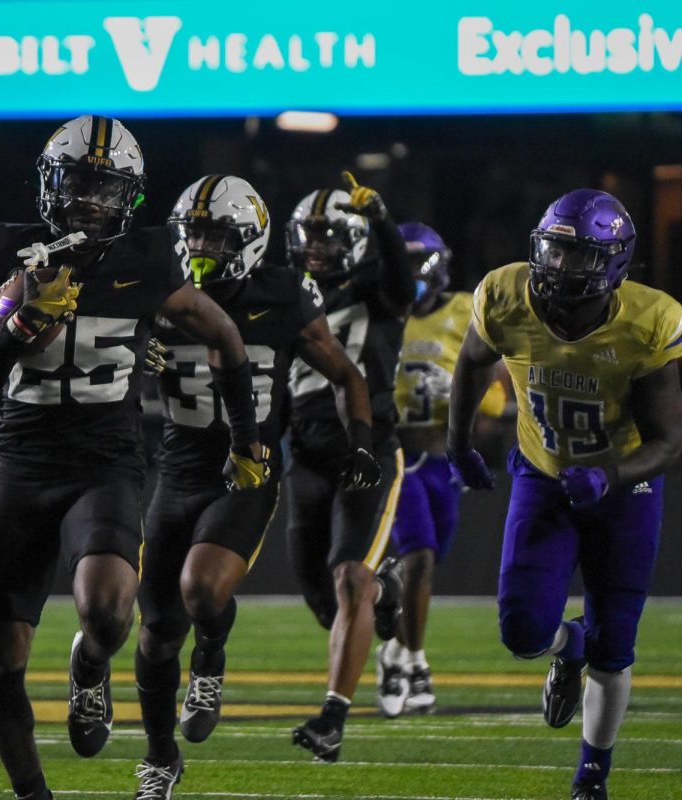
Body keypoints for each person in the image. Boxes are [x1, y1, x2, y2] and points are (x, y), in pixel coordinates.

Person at [0, 116, 270, 800]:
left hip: (106, 464)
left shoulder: (149, 259)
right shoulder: (3, 251)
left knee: (109, 613)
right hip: (22, 465)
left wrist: (245, 438)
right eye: (79, 183)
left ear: (131, 198)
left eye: (106, 187)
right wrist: (18, 330)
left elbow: (225, 334)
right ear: (49, 184)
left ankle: (89, 666)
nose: (91, 201)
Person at [133, 175, 380, 798]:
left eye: (215, 233)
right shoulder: (162, 289)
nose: (199, 244)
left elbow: (348, 376)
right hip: (179, 468)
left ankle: (211, 654)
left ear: (248, 238)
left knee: (201, 589)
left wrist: (361, 444)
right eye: (192, 231)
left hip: (246, 468)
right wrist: (144, 356)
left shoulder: (283, 297)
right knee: (157, 631)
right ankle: (161, 758)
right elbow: (128, 366)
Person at [448, 188, 682, 800]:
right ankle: (565, 642)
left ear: (613, 261)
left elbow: (669, 441)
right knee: (523, 631)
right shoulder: (504, 294)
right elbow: (472, 363)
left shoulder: (648, 320)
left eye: (578, 257)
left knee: (616, 644)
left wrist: (611, 476)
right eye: (553, 251)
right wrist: (458, 442)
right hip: (544, 475)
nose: (559, 268)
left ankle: (591, 775)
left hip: (624, 489)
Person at [283, 172, 412, 762]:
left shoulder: (377, 292)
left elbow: (402, 283)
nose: (316, 246)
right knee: (319, 595)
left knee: (347, 577)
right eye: (310, 235)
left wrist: (383, 221)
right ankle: (386, 592)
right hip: (305, 456)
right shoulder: (289, 296)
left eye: (330, 235)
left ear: (356, 241)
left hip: (369, 448)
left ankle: (333, 717)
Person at [376, 222, 509, 717]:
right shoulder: (382, 312)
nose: (409, 272)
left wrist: (463, 399)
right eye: (401, 261)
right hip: (399, 451)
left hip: (445, 456)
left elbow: (496, 389)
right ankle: (415, 661)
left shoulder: (462, 310)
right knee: (421, 558)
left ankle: (393, 651)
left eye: (416, 261)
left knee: (427, 561)